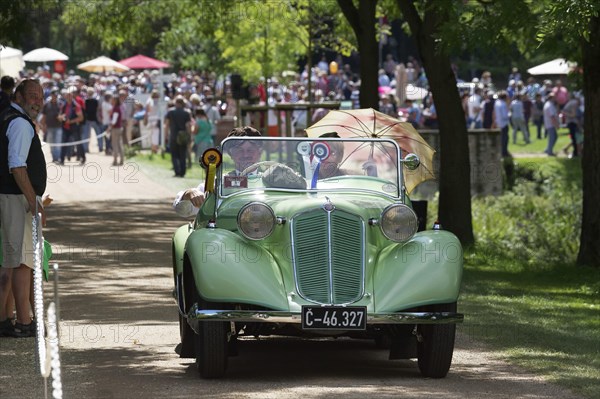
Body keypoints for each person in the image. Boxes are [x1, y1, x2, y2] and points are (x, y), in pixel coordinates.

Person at [0, 79, 47, 337]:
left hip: (11, 196)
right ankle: (24, 322)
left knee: (12, 260)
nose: (37, 100)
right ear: (17, 96)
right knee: (21, 262)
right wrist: (33, 200)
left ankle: (10, 320)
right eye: (31, 95)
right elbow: (17, 166)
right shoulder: (19, 123)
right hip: (15, 197)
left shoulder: (10, 118)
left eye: (40, 96)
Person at [173, 126, 261, 218]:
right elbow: (182, 211)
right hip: (225, 231)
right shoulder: (218, 183)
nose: (245, 155)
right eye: (239, 150)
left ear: (259, 152)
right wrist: (189, 193)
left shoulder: (271, 182)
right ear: (231, 154)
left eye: (250, 150)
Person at [165, 95, 193, 177]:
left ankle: (177, 171)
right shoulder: (187, 112)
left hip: (173, 135)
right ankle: (182, 172)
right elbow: (188, 125)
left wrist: (166, 135)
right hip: (183, 136)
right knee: (182, 154)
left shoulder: (170, 112)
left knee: (174, 154)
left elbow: (166, 125)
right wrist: (189, 136)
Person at [60, 86, 84, 165]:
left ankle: (82, 158)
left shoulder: (76, 106)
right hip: (65, 127)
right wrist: (62, 117)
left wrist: (71, 121)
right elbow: (60, 115)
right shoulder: (64, 105)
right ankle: (62, 159)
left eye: (69, 96)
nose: (68, 97)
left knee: (78, 143)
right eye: (67, 96)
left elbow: (81, 118)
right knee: (63, 143)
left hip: (74, 127)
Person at [40, 87, 63, 163]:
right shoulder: (47, 105)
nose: (55, 97)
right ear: (51, 95)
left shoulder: (60, 104)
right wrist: (43, 126)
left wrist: (61, 117)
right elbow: (44, 116)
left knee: (57, 143)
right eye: (54, 95)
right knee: (52, 143)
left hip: (58, 127)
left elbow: (64, 115)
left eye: (56, 95)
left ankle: (57, 158)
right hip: (49, 127)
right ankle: (54, 157)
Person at [493, 91, 510, 157]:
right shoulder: (503, 104)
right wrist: (510, 114)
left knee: (501, 139)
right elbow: (504, 116)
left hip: (498, 123)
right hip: (504, 124)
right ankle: (504, 153)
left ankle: (502, 152)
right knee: (505, 139)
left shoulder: (496, 103)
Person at [109, 95, 124, 166]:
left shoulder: (115, 109)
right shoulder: (118, 108)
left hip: (115, 128)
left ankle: (115, 161)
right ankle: (121, 160)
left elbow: (114, 121)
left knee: (115, 145)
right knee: (119, 144)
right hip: (119, 128)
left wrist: (109, 128)